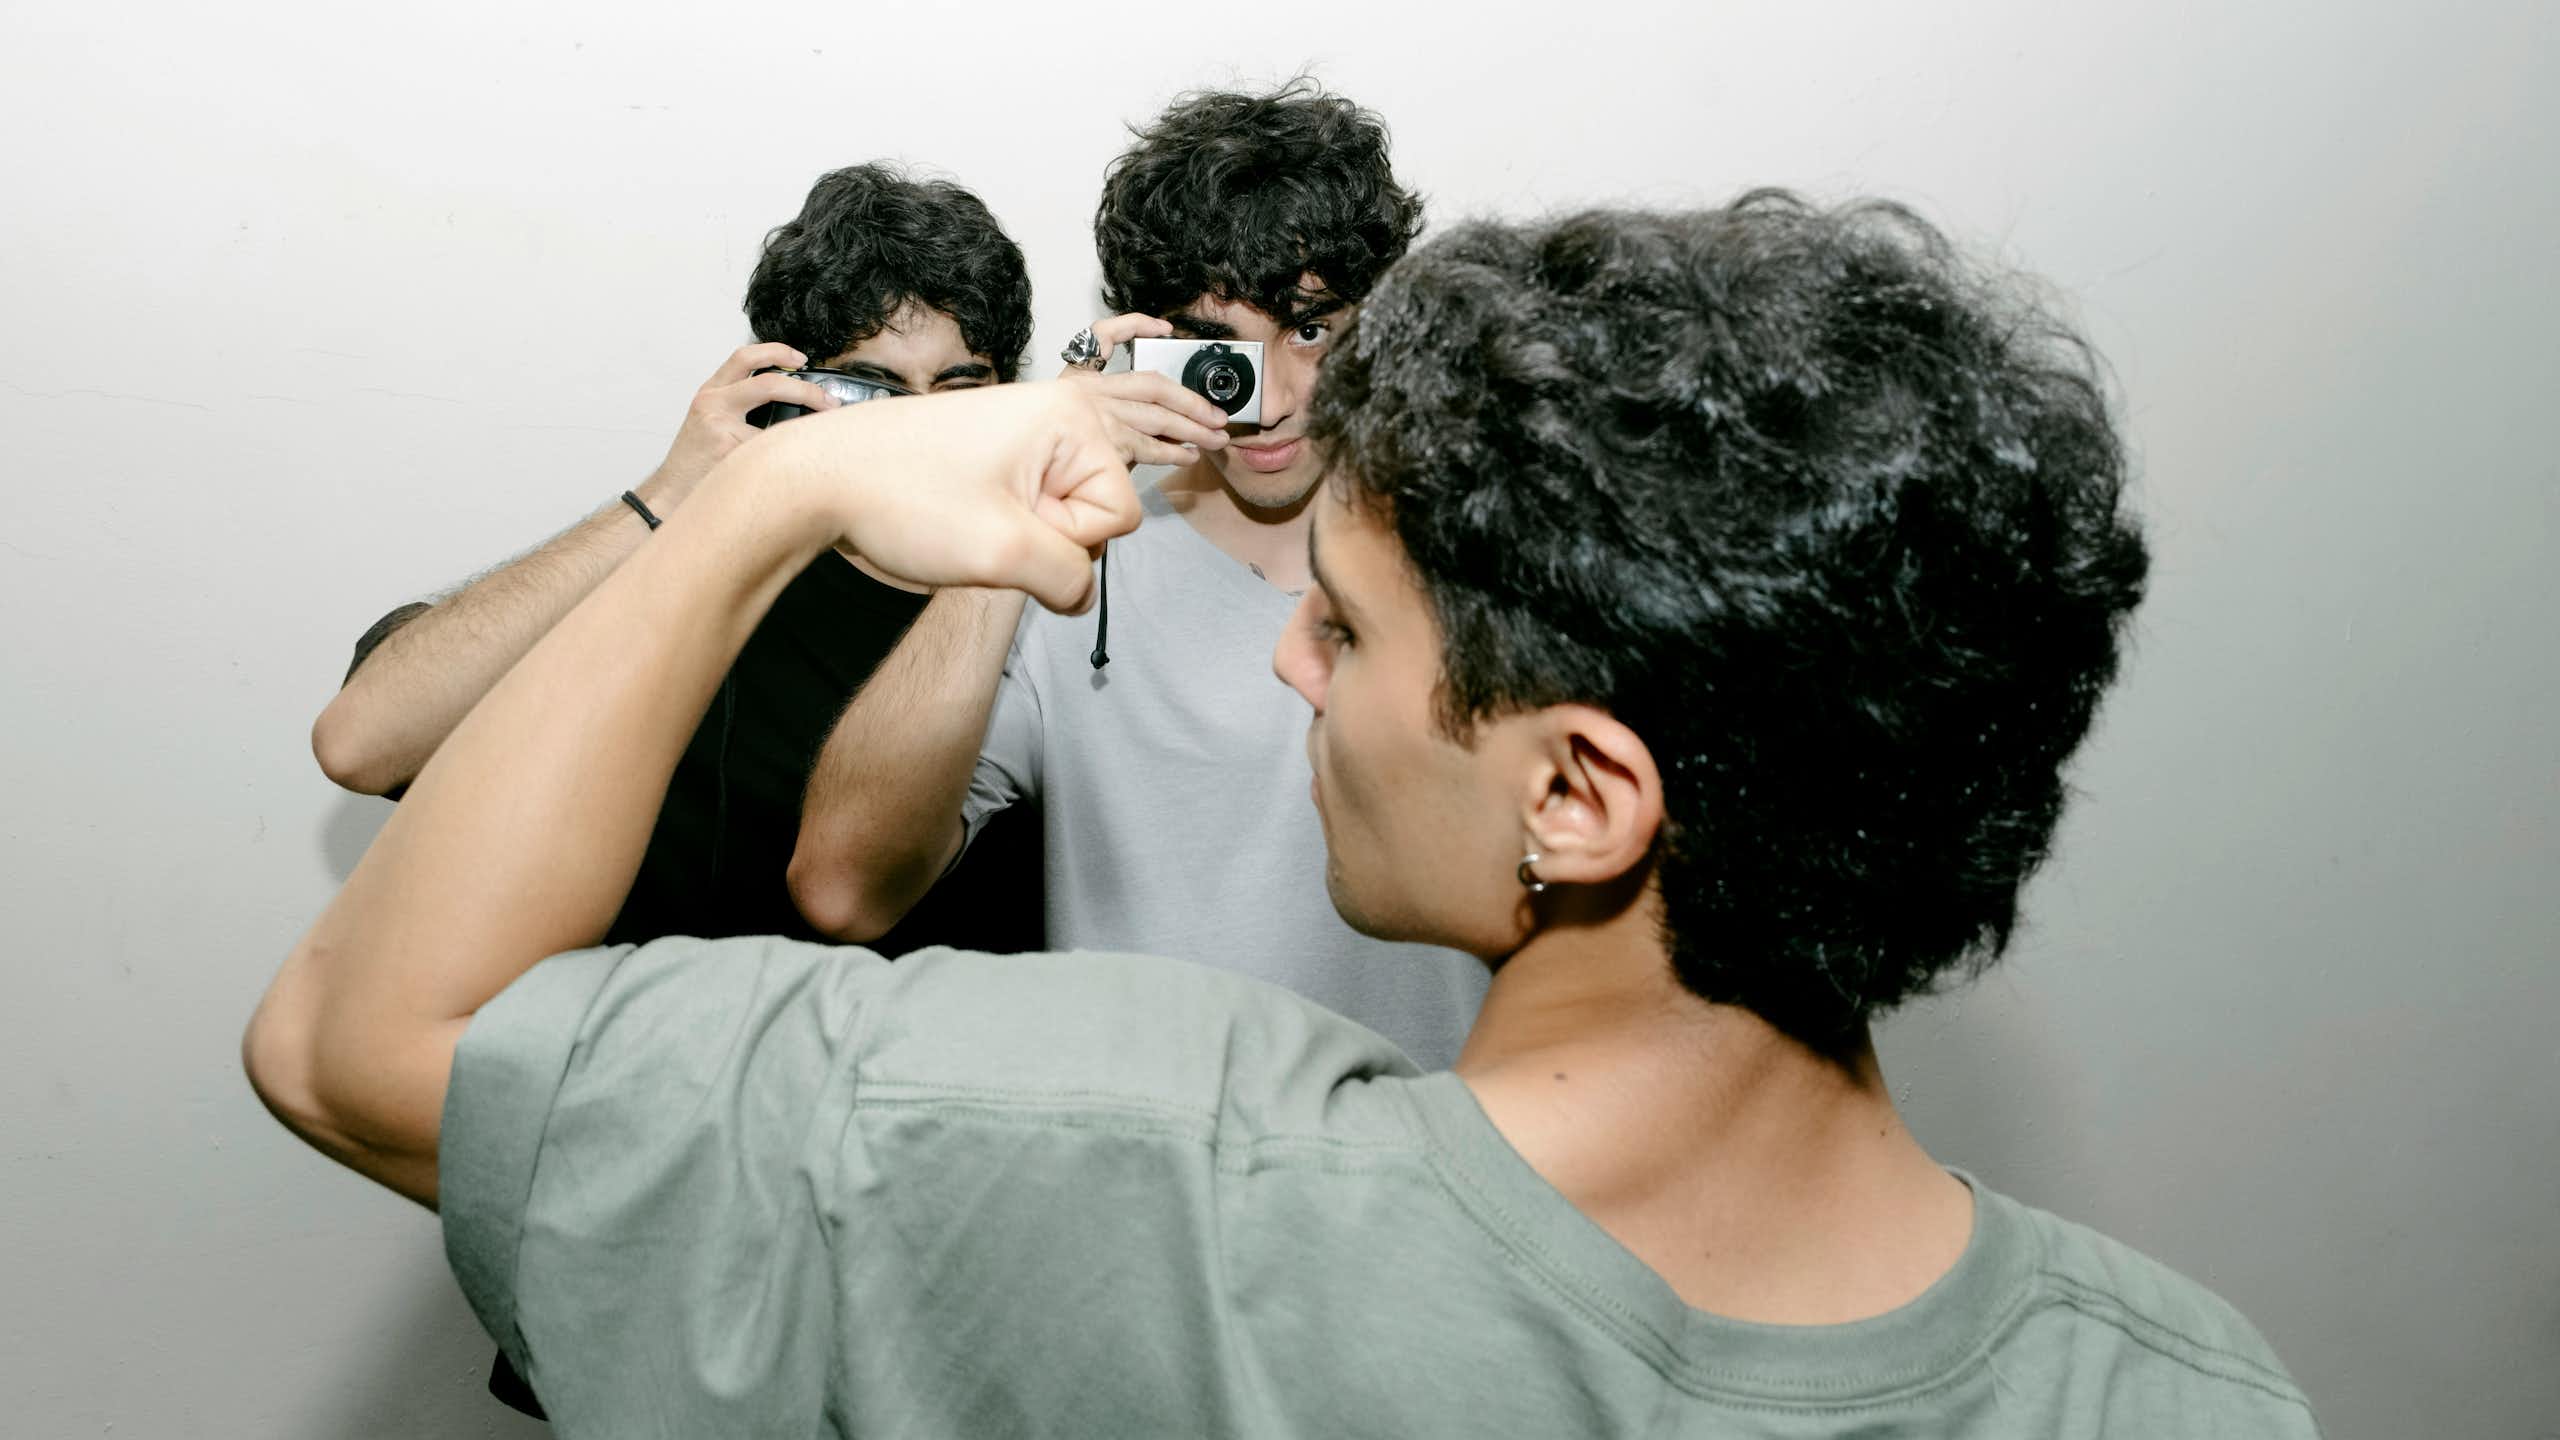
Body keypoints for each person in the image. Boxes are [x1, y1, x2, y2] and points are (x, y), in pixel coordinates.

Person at [246, 193, 2321, 1435]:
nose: (1288, 664)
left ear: (1579, 793)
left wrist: (767, 495)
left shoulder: (1095, 1181)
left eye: (1348, 626)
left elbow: (356, 1044)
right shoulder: (2188, 1393)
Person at [301, 161, 1229, 1416]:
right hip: (645, 1212)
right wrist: (687, 498)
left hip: (933, 1265)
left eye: (957, 391)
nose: (914, 424)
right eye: (871, 390)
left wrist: (1028, 503)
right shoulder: (696, 582)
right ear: (789, 390)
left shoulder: (1051, 610)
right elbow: (366, 742)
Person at [784, 82, 1492, 1071]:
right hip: (1149, 1192)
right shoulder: (1073, 566)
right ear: (1150, 338)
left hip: (1429, 1173)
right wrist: (1032, 498)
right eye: (1221, 346)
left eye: (1313, 329)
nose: (1275, 399)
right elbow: (842, 885)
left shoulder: (1488, 541)